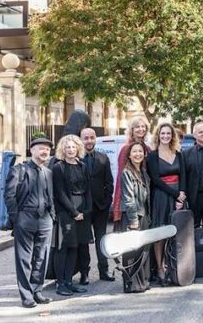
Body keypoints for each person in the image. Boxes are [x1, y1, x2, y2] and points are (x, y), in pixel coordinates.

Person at [4, 137, 56, 308]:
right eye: (41, 148)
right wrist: (16, 219)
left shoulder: (48, 172)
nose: (44, 151)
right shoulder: (19, 170)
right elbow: (9, 196)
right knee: (24, 259)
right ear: (32, 150)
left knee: (42, 257)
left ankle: (37, 291)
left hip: (45, 220)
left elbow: (51, 197)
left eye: (47, 149)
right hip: (25, 218)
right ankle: (26, 296)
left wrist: (52, 216)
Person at [146, 123, 187, 286]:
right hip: (161, 197)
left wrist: (181, 196)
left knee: (177, 233)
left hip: (178, 197)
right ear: (158, 135)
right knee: (160, 233)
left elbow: (183, 175)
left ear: (172, 136)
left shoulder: (179, 154)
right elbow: (155, 180)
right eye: (162, 133)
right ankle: (160, 268)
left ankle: (175, 267)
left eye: (168, 133)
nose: (165, 136)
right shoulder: (152, 156)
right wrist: (176, 194)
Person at [51, 135, 92, 297]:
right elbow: (60, 193)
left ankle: (69, 281)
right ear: (63, 149)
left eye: (73, 147)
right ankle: (60, 283)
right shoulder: (58, 167)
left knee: (75, 246)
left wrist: (86, 211)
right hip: (66, 212)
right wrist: (74, 212)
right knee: (63, 248)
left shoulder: (82, 165)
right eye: (67, 147)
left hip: (82, 212)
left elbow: (88, 189)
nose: (70, 150)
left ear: (78, 148)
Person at [80, 128, 115, 283]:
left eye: (92, 137)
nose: (89, 141)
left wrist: (107, 202)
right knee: (83, 241)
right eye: (86, 138)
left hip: (101, 208)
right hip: (82, 209)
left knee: (102, 240)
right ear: (81, 139)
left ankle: (104, 270)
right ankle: (84, 273)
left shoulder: (103, 158)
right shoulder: (76, 158)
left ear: (95, 139)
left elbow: (109, 182)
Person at [120, 142, 152, 293]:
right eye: (134, 152)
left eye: (140, 151)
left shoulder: (143, 173)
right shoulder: (127, 173)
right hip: (133, 217)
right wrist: (133, 220)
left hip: (144, 215)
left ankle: (142, 282)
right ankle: (131, 283)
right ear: (129, 155)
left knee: (143, 250)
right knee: (131, 251)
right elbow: (128, 199)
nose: (138, 154)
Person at [112, 116, 151, 226]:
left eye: (143, 126)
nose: (140, 129)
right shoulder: (125, 149)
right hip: (131, 200)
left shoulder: (148, 149)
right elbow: (122, 178)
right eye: (137, 127)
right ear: (131, 130)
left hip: (144, 201)